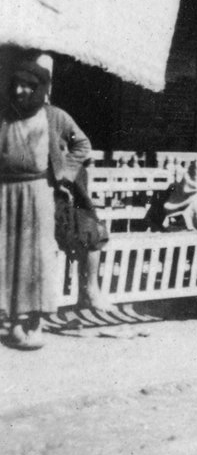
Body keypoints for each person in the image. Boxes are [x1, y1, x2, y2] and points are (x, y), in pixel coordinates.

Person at [1, 52, 105, 351]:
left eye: (28, 86)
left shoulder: (54, 116)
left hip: (39, 192)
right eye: (17, 84)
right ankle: (11, 319)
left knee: (34, 257)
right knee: (8, 256)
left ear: (40, 88)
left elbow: (82, 144)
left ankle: (32, 323)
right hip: (7, 193)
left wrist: (66, 173)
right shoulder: (6, 115)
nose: (21, 90)